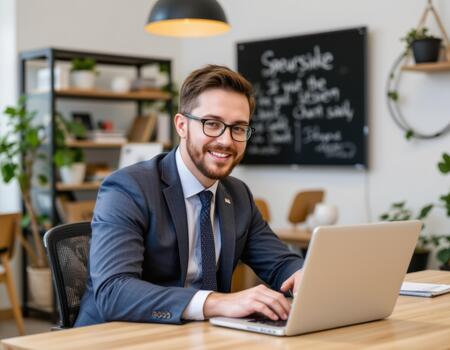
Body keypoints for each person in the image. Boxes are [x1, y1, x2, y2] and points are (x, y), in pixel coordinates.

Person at [75, 65, 304, 327]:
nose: (226, 140)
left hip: (201, 337)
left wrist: (302, 275)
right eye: (212, 124)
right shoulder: (129, 188)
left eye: (239, 128)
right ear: (182, 125)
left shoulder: (237, 194)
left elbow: (280, 263)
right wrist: (216, 302)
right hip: (116, 338)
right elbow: (113, 292)